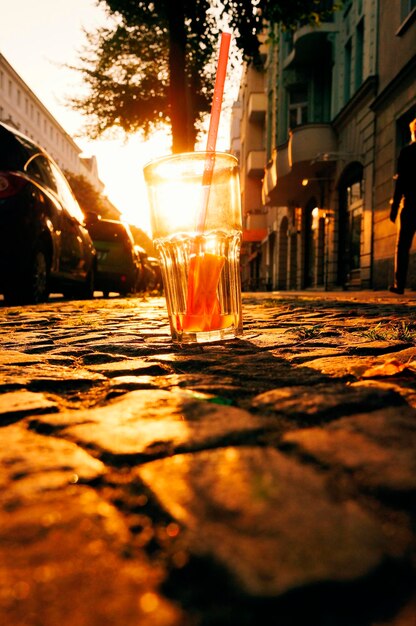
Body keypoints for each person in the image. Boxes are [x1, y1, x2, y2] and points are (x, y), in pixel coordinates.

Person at [389, 117, 416, 294]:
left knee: (402, 246)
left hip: (411, 204)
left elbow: (401, 183)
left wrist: (394, 206)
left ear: (413, 131)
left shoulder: (407, 152)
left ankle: (399, 285)